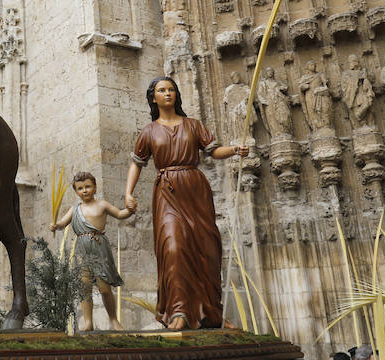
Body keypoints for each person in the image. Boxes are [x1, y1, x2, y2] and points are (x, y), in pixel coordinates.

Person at [124, 76, 248, 330]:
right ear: (153, 97)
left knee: (207, 251)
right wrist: (128, 193)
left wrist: (235, 149)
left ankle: (212, 313)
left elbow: (213, 151)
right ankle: (178, 311)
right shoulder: (148, 131)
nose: (167, 93)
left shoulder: (193, 125)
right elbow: (137, 163)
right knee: (173, 247)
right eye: (162, 90)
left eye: (171, 89)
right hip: (167, 191)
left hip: (195, 189)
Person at [51, 171, 133, 331]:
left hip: (99, 248)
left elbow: (120, 214)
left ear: (95, 187)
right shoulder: (75, 209)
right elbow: (62, 223)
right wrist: (56, 225)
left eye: (88, 186)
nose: (84, 190)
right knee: (84, 286)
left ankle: (113, 320)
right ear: (76, 191)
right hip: (82, 249)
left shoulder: (102, 205)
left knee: (104, 288)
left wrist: (130, 210)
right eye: (80, 188)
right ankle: (88, 322)